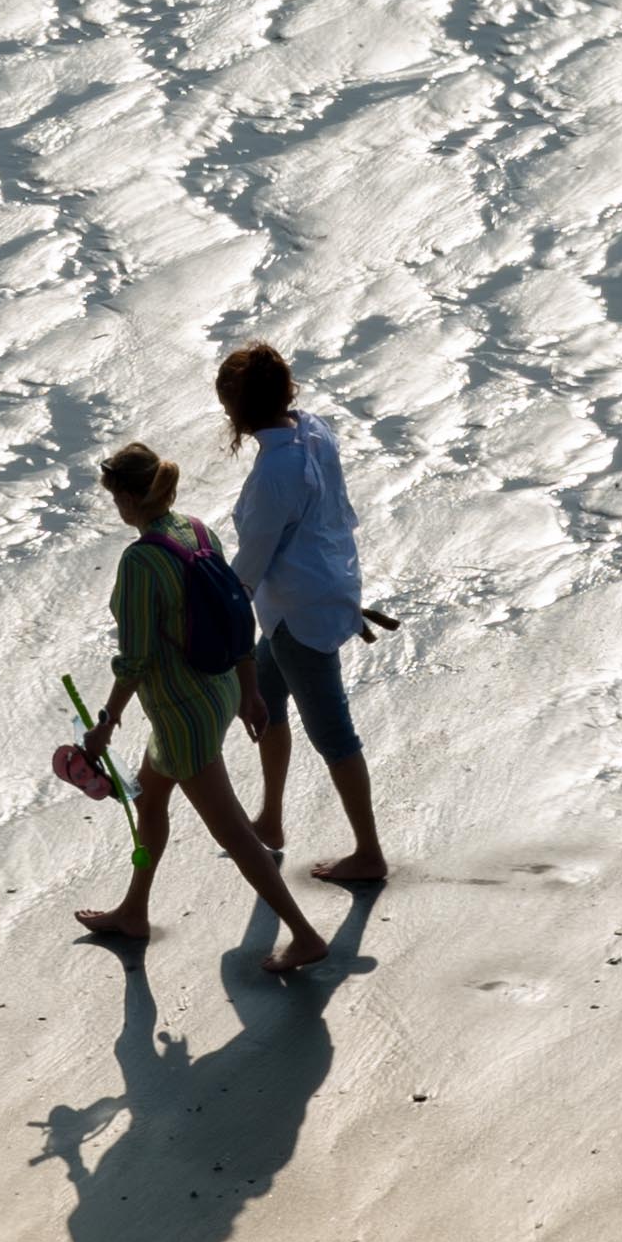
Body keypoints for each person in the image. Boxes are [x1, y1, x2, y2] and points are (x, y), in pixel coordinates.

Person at [75, 442, 333, 980]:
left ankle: (305, 935)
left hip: (181, 713)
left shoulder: (142, 559)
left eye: (114, 498)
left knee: (235, 832)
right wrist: (249, 691)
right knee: (149, 802)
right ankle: (134, 912)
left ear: (126, 497)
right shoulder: (196, 529)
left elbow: (137, 660)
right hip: (216, 691)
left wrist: (103, 725)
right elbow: (237, 614)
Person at [215, 341, 397, 890]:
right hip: (312, 596)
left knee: (334, 734)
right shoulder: (313, 430)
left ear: (239, 410)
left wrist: (209, 612)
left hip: (299, 616)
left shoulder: (274, 473)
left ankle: (369, 852)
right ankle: (270, 818)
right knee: (268, 706)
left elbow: (250, 564)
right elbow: (329, 518)